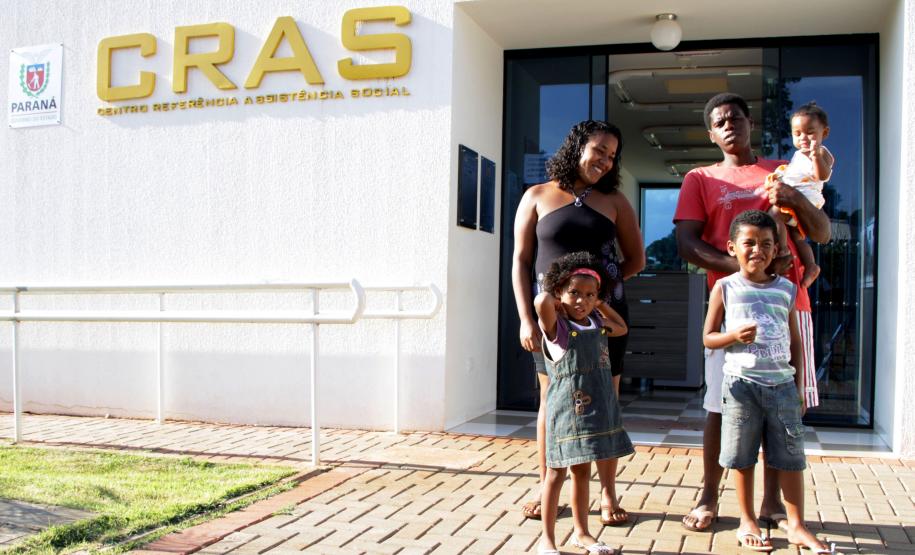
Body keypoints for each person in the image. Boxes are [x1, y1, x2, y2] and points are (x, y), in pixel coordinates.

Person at [673, 92, 831, 533]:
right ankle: (708, 494)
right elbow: (688, 245)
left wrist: (793, 198)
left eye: (736, 118)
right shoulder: (699, 178)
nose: (729, 125)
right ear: (711, 133)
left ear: (749, 124)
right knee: (720, 407)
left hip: (788, 306)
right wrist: (747, 271)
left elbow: (821, 231)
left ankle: (772, 502)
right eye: (719, 121)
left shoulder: (786, 168)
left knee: (783, 407)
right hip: (731, 309)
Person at [512, 120, 645, 523]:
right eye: (598, 150)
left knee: (605, 403)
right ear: (577, 146)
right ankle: (547, 485)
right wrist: (525, 319)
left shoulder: (615, 201)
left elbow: (635, 259)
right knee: (552, 405)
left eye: (611, 155)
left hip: (603, 322)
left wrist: (598, 298)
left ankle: (608, 494)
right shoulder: (537, 195)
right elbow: (521, 259)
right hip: (552, 323)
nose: (604, 161)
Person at [703, 210, 832, 553]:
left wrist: (801, 385)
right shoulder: (725, 287)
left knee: (790, 456)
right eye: (749, 243)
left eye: (765, 244)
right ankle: (747, 519)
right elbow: (708, 337)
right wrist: (732, 336)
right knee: (742, 456)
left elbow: (795, 343)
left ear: (776, 250)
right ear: (732, 247)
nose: (757, 250)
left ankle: (797, 525)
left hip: (782, 387)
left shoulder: (787, 289)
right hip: (740, 385)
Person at [534, 251, 633, 555]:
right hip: (566, 413)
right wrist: (556, 294)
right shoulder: (558, 329)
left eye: (589, 295)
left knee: (581, 472)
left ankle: (582, 533)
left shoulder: (597, 322)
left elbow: (623, 327)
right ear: (560, 293)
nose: (582, 300)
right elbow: (540, 304)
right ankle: (547, 540)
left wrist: (598, 302)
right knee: (555, 473)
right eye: (574, 293)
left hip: (592, 412)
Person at [766, 101, 834, 291]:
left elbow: (823, 175)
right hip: (797, 196)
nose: (803, 138)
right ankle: (811, 265)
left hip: (807, 197)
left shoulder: (821, 152)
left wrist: (816, 157)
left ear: (824, 133)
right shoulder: (797, 155)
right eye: (797, 134)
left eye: (810, 132)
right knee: (797, 236)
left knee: (773, 215)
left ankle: (783, 251)